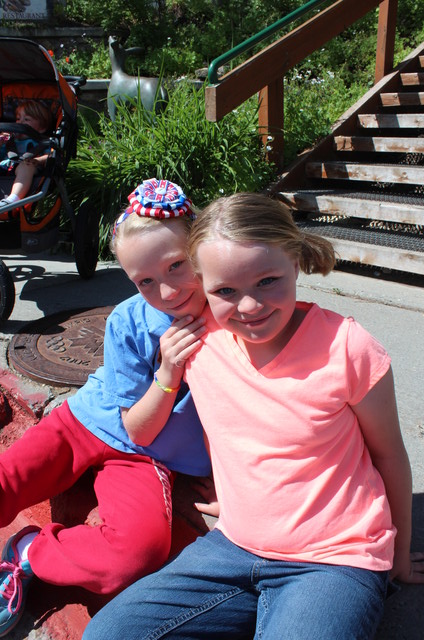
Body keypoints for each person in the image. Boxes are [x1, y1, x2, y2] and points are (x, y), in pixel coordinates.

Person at [83, 191, 424, 640]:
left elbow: (390, 455)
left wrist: (399, 552)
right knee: (107, 634)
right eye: (225, 290)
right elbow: (221, 427)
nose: (249, 307)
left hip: (333, 557)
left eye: (267, 281)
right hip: (233, 547)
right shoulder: (199, 343)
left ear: (296, 263)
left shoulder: (349, 348)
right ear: (202, 286)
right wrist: (233, 495)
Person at [0, 178, 211, 637]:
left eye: (178, 266)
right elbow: (130, 419)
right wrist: (168, 374)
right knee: (9, 478)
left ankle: (28, 552)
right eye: (145, 281)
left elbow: (143, 439)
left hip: (147, 456)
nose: (168, 292)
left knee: (133, 556)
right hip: (89, 422)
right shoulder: (131, 319)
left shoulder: (235, 313)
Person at [0, 99, 53, 211]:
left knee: (26, 166)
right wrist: (1, 143)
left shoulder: (41, 142)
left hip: (27, 167)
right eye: (18, 119)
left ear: (42, 127)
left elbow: (51, 155)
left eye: (27, 119)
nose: (20, 122)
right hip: (5, 166)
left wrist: (39, 160)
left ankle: (13, 199)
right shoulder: (10, 141)